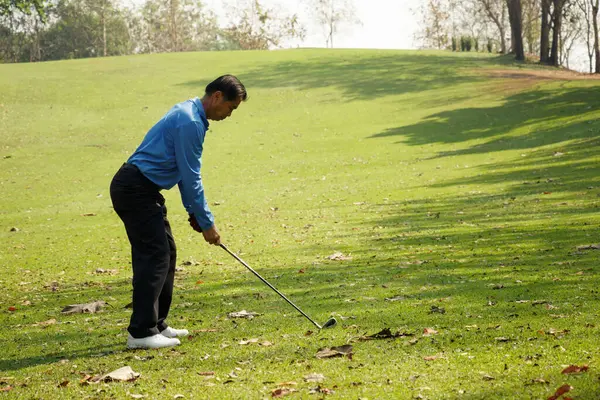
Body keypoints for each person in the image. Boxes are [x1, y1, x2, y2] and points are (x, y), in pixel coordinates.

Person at [110, 75, 247, 349]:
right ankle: (141, 333)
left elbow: (185, 177)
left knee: (167, 251)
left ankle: (157, 324)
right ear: (218, 97)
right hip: (135, 189)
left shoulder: (190, 112)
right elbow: (191, 176)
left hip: (144, 191)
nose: (229, 115)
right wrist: (207, 222)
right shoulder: (190, 122)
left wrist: (195, 213)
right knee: (155, 256)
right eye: (231, 108)